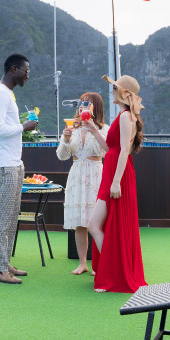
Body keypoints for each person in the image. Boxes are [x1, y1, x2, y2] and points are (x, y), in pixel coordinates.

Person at [85, 74, 147, 293]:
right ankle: (113, 272)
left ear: (122, 93)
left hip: (116, 175)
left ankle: (113, 275)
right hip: (112, 173)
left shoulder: (125, 117)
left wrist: (116, 182)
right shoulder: (125, 116)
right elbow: (109, 148)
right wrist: (93, 129)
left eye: (114, 88)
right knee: (98, 225)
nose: (111, 91)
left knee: (94, 225)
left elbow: (123, 153)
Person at [0, 53, 39, 284]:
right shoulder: (1, 95)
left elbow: (4, 126)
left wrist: (20, 127)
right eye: (26, 71)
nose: (28, 75)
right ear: (14, 69)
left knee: (10, 215)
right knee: (2, 217)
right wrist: (23, 126)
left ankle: (4, 262)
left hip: (12, 162)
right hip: (3, 164)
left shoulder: (7, 94)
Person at [55, 92, 107, 276]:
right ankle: (82, 263)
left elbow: (106, 151)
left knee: (97, 221)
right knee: (80, 223)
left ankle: (99, 264)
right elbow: (62, 156)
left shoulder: (103, 129)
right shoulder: (73, 129)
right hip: (77, 175)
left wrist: (93, 128)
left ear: (96, 108)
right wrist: (66, 139)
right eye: (82, 103)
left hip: (96, 175)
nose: (83, 107)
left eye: (88, 104)